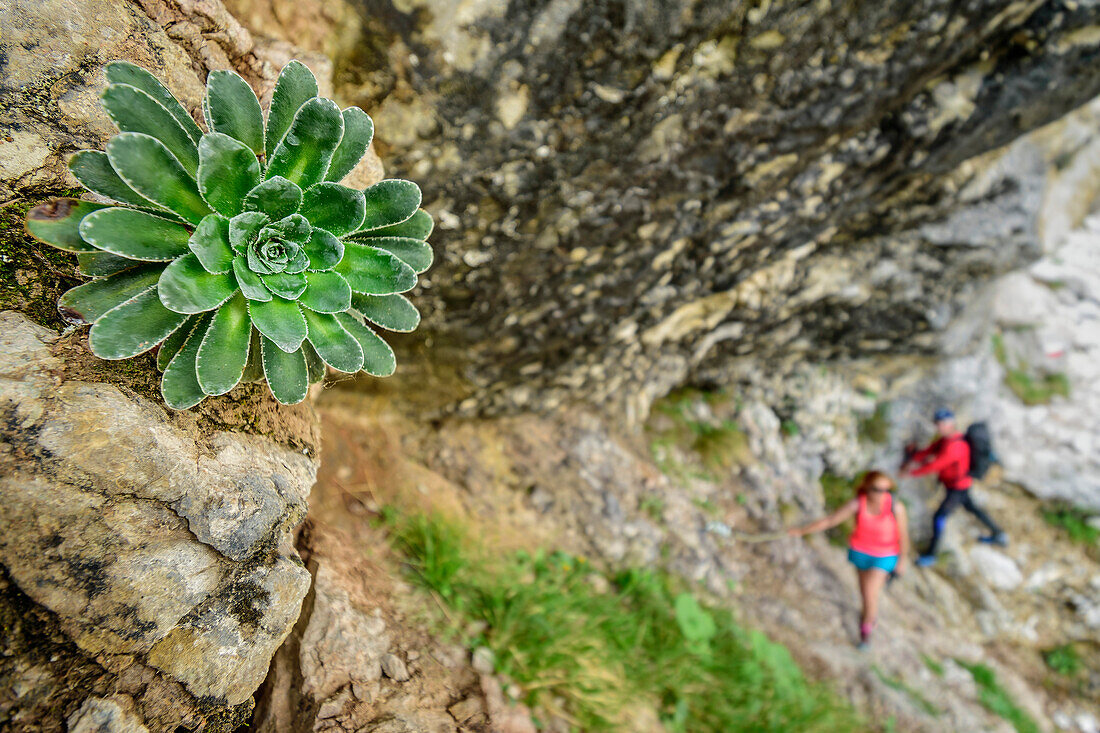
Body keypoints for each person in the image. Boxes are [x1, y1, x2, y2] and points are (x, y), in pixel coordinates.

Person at [788, 471, 909, 650]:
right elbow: (830, 521)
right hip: (860, 553)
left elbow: (904, 535)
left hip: (885, 555)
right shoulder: (858, 504)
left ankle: (866, 632)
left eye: (887, 490)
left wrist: (902, 560)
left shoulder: (896, 507)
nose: (882, 494)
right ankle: (867, 621)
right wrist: (801, 531)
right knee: (865, 593)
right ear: (867, 487)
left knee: (869, 593)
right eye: (877, 489)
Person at [902, 408, 1007, 568]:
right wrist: (913, 456)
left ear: (951, 423)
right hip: (958, 485)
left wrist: (912, 472)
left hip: (957, 488)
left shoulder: (955, 446)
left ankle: (931, 555)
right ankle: (999, 534)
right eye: (937, 424)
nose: (939, 427)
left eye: (942, 424)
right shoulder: (946, 440)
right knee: (972, 508)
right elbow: (928, 452)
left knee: (939, 517)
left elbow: (936, 464)